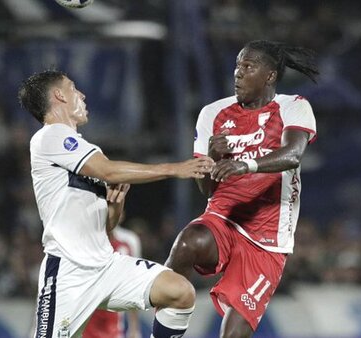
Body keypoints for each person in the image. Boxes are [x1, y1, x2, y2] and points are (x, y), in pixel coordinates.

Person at [18, 69, 215, 338]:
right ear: (59, 95)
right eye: (74, 88)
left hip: (106, 265)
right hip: (68, 273)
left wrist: (116, 204)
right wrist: (174, 168)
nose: (82, 94)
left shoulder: (87, 150)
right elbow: (108, 171)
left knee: (179, 291)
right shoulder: (49, 137)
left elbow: (106, 226)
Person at [165, 40, 319, 337]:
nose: (238, 72)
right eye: (237, 65)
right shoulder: (213, 113)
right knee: (187, 243)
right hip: (224, 217)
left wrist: (245, 164)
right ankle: (165, 330)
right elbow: (206, 189)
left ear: (270, 75)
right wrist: (212, 157)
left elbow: (292, 155)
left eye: (248, 66)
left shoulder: (294, 106)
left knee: (233, 334)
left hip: (268, 237)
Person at [85, 214, 143, 338]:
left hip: (113, 320)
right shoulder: (84, 239)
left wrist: (134, 328)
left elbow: (133, 283)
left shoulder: (128, 242)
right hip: (85, 317)